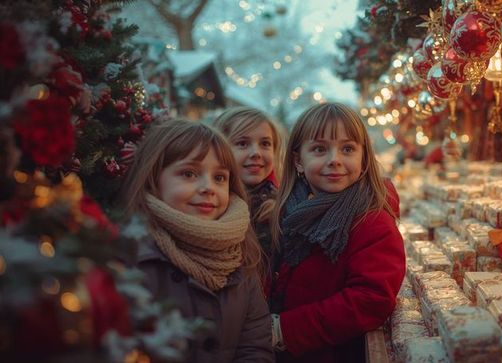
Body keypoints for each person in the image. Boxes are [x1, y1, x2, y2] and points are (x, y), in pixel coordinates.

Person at [119, 119, 274, 363]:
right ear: (153, 179)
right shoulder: (130, 256)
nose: (208, 188)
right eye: (189, 173)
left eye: (220, 178)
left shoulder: (240, 256)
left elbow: (255, 346)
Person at [269, 103, 406, 363]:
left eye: (347, 149)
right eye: (320, 149)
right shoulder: (290, 211)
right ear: (298, 160)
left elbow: (371, 299)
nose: (335, 159)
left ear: (363, 158)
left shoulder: (372, 221)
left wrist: (285, 329)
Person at [213, 107, 283, 259]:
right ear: (219, 149)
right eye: (243, 143)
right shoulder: (207, 201)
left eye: (265, 144)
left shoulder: (281, 209)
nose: (256, 153)